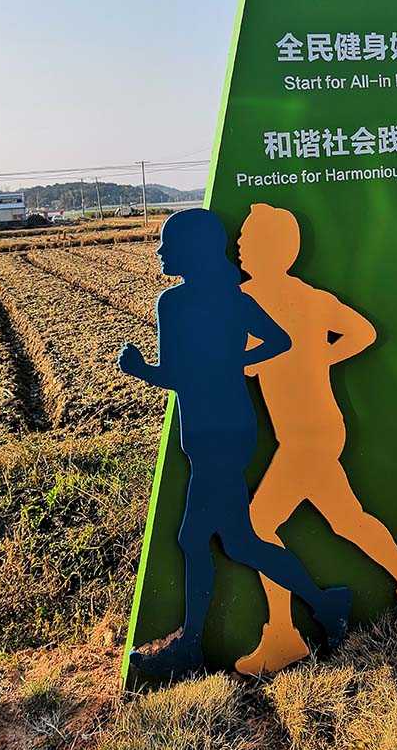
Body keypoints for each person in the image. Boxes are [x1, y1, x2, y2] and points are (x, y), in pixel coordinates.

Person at [117, 208, 352, 679]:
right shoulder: (232, 297)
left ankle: (190, 647)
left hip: (210, 435)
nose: (160, 252)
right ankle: (326, 604)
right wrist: (233, 364)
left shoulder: (174, 304)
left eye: (168, 243)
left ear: (193, 251)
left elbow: (176, 376)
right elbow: (279, 341)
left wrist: (138, 369)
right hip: (234, 429)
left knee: (196, 539)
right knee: (239, 542)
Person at [235, 203, 397, 676]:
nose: (239, 245)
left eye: (248, 238)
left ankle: (284, 634)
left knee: (258, 525)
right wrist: (319, 357)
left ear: (271, 248)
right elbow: (362, 333)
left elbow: (244, 359)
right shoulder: (311, 297)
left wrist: (274, 360)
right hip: (321, 428)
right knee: (347, 520)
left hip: (304, 436)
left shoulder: (252, 298)